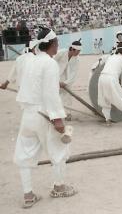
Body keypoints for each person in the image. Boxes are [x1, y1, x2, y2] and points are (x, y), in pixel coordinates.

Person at [13, 28, 77, 208]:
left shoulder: (29, 61)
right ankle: (59, 187)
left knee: (25, 155)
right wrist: (57, 118)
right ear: (52, 44)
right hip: (44, 115)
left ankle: (28, 195)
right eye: (57, 42)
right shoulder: (50, 64)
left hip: (28, 115)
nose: (58, 46)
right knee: (58, 151)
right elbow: (51, 94)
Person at [54, 40, 82, 121]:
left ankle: (67, 113)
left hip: (67, 79)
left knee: (67, 96)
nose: (79, 53)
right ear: (72, 49)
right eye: (78, 51)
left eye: (80, 51)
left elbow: (74, 73)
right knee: (54, 95)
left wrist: (65, 83)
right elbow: (52, 63)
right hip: (56, 76)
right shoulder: (61, 53)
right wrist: (54, 78)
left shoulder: (77, 59)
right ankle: (55, 113)